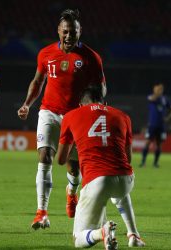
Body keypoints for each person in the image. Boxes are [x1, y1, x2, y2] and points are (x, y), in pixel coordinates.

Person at [17, 9, 106, 229]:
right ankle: (41, 212)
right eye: (65, 32)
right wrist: (27, 104)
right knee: (45, 157)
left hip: (76, 116)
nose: (68, 36)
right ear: (58, 31)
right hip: (49, 112)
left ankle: (71, 192)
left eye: (73, 32)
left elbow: (101, 87)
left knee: (74, 169)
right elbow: (38, 81)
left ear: (79, 32)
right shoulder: (46, 54)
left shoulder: (91, 58)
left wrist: (98, 106)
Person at [57, 85, 145, 249]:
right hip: (126, 180)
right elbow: (129, 158)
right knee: (118, 188)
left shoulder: (71, 116)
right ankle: (133, 234)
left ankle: (101, 233)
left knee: (78, 239)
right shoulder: (123, 116)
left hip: (97, 181)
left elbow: (61, 160)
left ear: (81, 105)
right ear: (104, 102)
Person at [140, 83, 171, 168]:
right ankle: (143, 162)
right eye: (156, 89)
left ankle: (155, 163)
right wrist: (157, 93)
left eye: (159, 89)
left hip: (161, 125)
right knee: (147, 142)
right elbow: (152, 98)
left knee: (159, 144)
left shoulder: (165, 99)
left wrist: (167, 118)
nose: (157, 90)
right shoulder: (151, 97)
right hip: (152, 125)